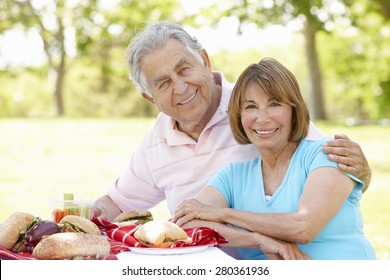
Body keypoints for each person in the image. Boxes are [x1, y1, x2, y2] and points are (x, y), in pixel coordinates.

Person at [91, 22, 371, 258]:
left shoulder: (257, 101)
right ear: (149, 97)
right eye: (163, 83)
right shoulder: (218, 169)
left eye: (184, 68)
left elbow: (328, 168)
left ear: (205, 61)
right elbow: (125, 205)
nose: (180, 87)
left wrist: (361, 175)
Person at [173, 58, 376, 260]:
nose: (262, 118)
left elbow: (303, 227)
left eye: (275, 104)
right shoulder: (232, 176)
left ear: (294, 111)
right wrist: (257, 240)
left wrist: (222, 215)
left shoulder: (327, 153)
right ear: (239, 115)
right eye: (251, 107)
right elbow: (185, 225)